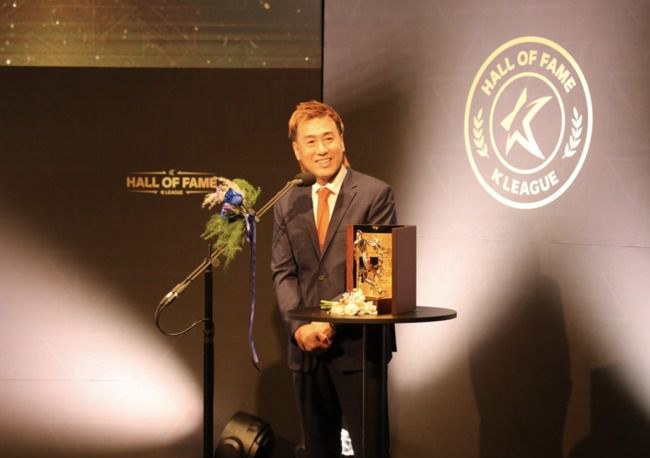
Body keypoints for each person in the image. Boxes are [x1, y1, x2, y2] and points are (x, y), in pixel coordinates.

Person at [271, 100, 397, 458]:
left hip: (358, 348)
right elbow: (284, 272)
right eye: (310, 141)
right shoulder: (286, 202)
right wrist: (300, 328)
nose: (321, 149)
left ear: (342, 140)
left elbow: (374, 279)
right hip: (305, 350)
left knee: (370, 450)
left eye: (328, 138)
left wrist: (329, 323)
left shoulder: (374, 194)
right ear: (297, 150)